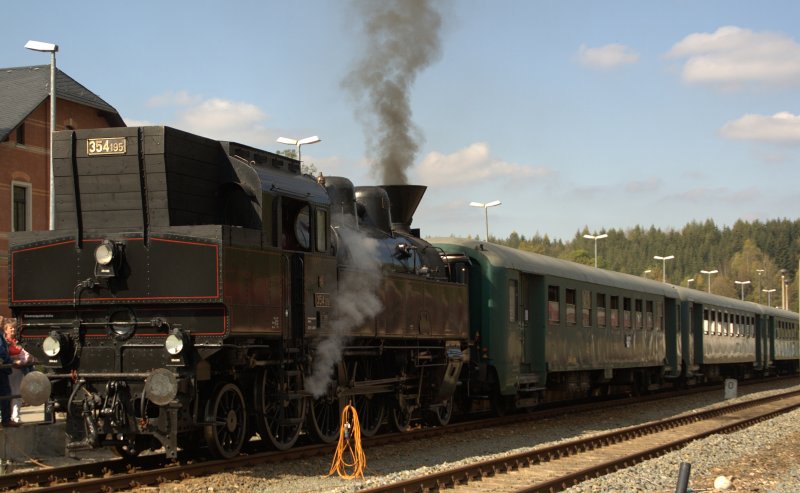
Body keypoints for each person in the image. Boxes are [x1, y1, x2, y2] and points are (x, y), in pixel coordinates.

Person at [5, 319, 33, 423]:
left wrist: (23, 359)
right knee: (7, 393)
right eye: (10, 328)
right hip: (8, 369)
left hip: (19, 370)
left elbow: (25, 352)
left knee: (17, 392)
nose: (13, 330)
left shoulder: (19, 340)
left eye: (14, 328)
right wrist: (13, 358)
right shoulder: (4, 341)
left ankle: (16, 416)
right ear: (6, 330)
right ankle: (6, 416)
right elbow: (5, 354)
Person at [0, 317, 17, 428]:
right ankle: (6, 420)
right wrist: (11, 361)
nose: (2, 322)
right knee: (5, 393)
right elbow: (1, 351)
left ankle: (6, 419)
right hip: (1, 369)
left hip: (3, 368)